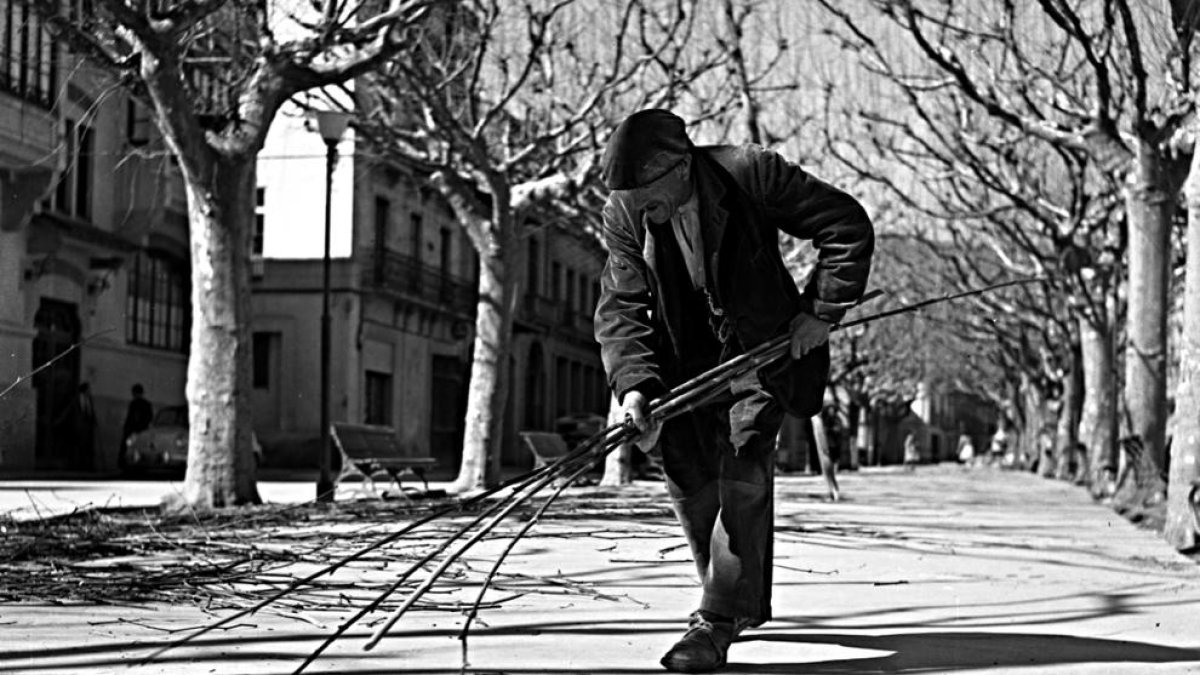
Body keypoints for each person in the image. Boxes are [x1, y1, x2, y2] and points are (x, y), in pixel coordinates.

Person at [594, 109, 874, 673]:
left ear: (679, 168)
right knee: (685, 473)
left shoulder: (750, 172)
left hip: (760, 349)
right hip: (682, 360)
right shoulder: (624, 209)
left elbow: (846, 225)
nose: (641, 211)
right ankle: (733, 598)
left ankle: (716, 618)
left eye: (649, 195)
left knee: (743, 464)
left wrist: (821, 311)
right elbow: (622, 305)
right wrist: (633, 389)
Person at [120, 384, 154, 464]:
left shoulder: (134, 404)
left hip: (134, 431)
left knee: (131, 448)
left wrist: (127, 429)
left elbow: (130, 418)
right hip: (142, 431)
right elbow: (150, 418)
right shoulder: (146, 404)